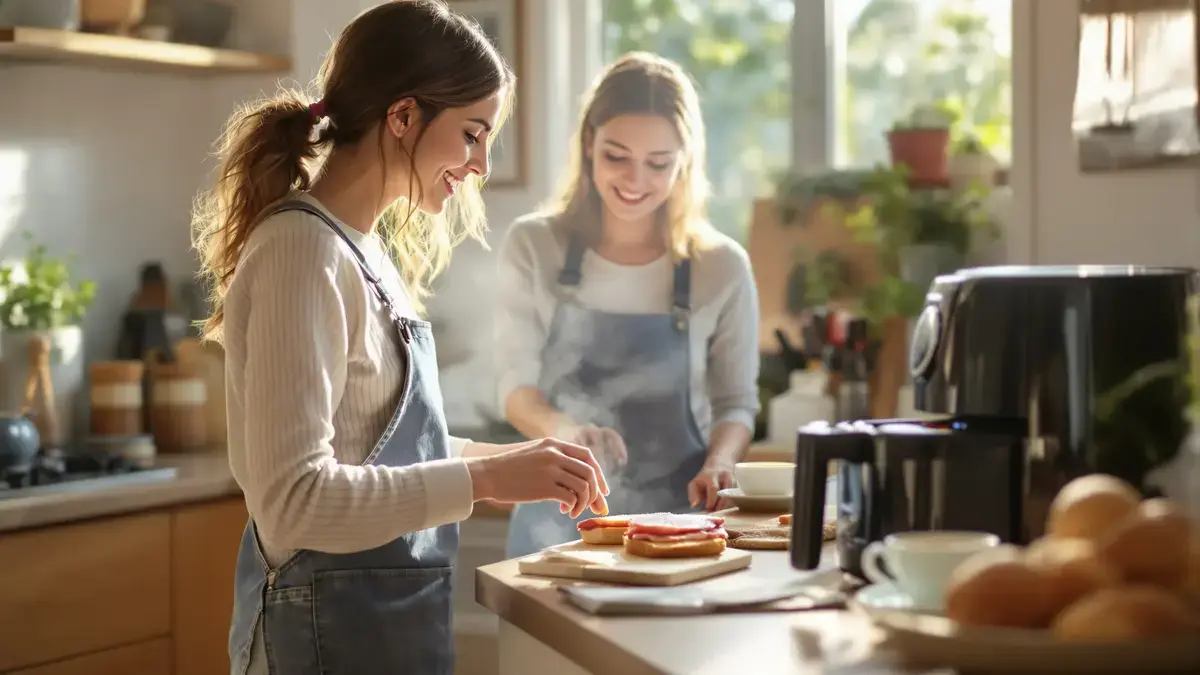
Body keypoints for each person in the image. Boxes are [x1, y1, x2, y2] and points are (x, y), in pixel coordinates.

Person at [190, 3, 609, 674]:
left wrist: (511, 462)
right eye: (472, 133)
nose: (480, 163)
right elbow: (295, 502)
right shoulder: (301, 252)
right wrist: (482, 476)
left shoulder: (361, 251)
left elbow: (378, 444)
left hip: (384, 632)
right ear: (403, 116)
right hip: (320, 639)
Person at [497, 52, 761, 558]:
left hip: (682, 524)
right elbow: (515, 390)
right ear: (589, 143)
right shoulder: (534, 245)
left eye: (658, 163)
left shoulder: (721, 266)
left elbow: (736, 403)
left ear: (685, 160)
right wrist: (567, 430)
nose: (635, 180)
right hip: (552, 524)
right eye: (616, 156)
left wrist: (720, 463)